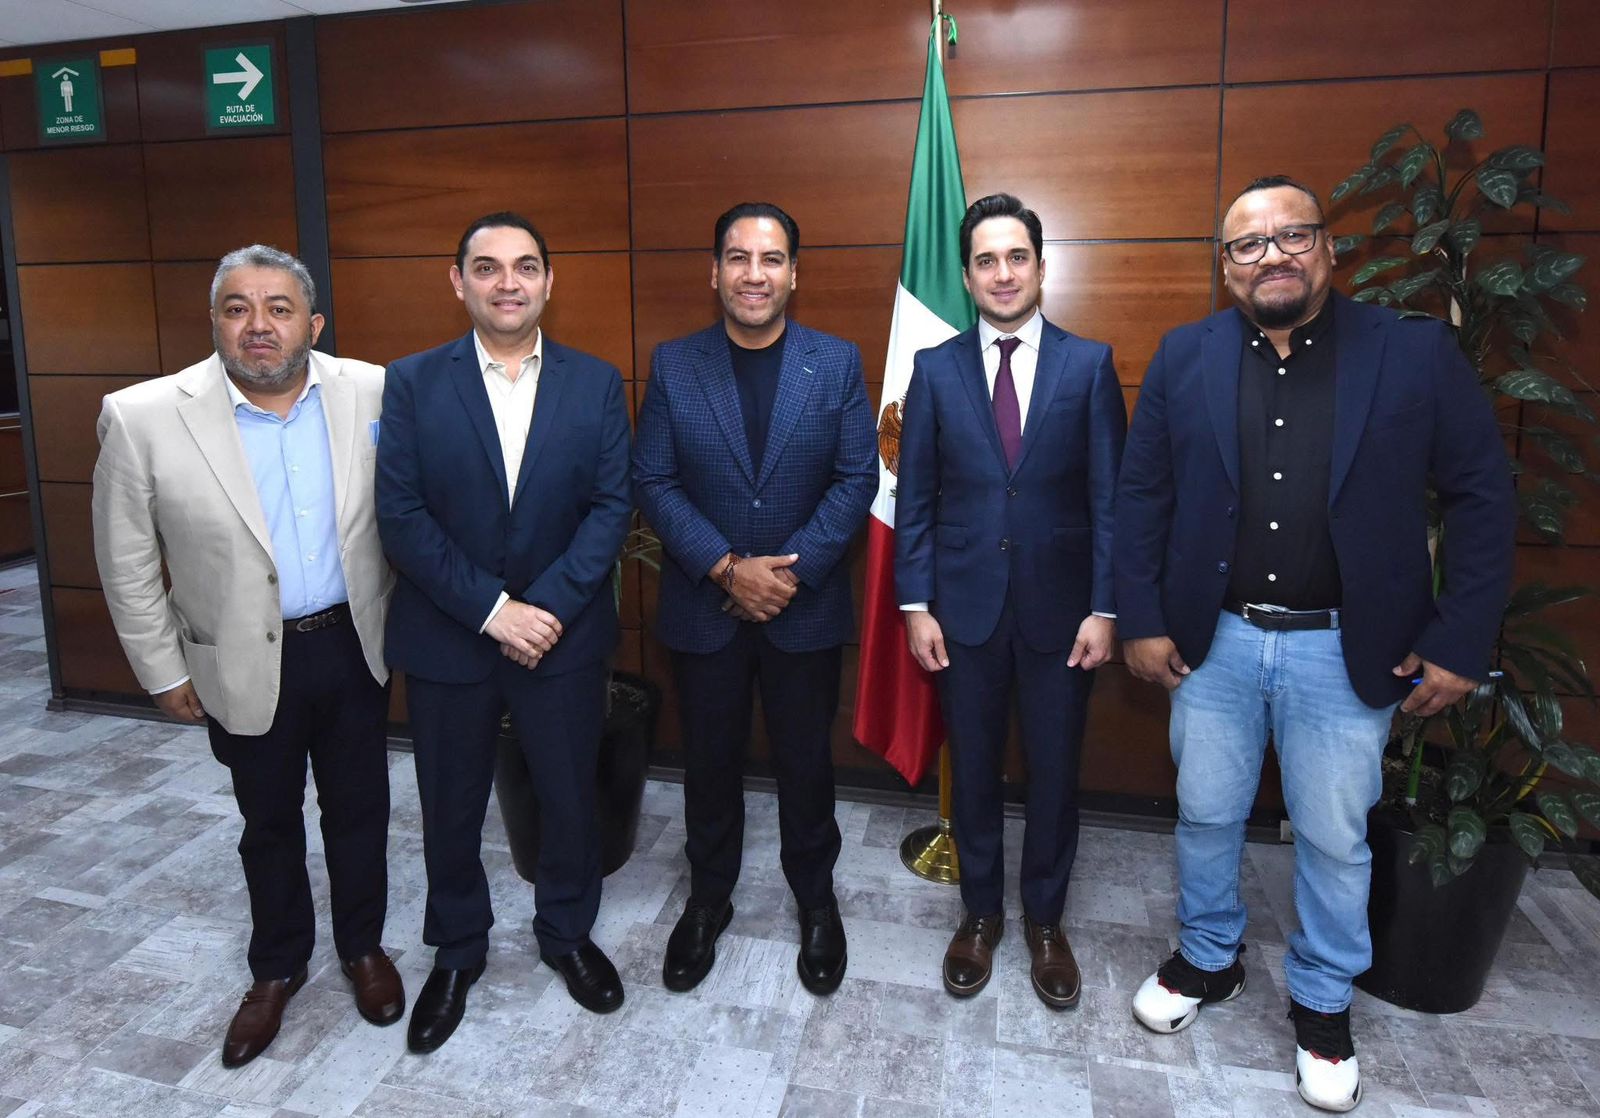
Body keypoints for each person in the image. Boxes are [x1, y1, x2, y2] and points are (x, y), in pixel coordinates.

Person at [1115, 176, 1516, 1112]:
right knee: (1205, 814)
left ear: (1329, 249)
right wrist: (1140, 617)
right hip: (1213, 644)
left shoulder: (1412, 352)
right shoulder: (1184, 355)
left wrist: (1461, 639)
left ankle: (1324, 1001)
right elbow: (1141, 498)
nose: (1273, 256)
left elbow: (1482, 496)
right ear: (1226, 267)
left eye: (1292, 236)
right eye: (1248, 244)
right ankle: (1208, 958)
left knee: (1335, 839)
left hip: (1344, 648)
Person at [92, 245, 401, 1068]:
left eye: (278, 308)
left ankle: (362, 947)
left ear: (314, 324)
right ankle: (278, 965)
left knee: (360, 809)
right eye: (237, 308)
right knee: (267, 822)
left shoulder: (373, 390)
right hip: (238, 662)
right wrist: (163, 670)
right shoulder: (142, 416)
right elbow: (126, 559)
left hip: (352, 646)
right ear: (214, 322)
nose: (258, 325)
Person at [376, 212, 631, 1051]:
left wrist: (543, 609)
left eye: (525, 266)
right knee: (450, 806)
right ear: (459, 283)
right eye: (487, 267)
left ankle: (566, 933)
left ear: (549, 281)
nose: (508, 282)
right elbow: (401, 516)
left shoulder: (596, 382)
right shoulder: (412, 382)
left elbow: (610, 508)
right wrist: (494, 611)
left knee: (568, 797)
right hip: (452, 636)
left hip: (563, 635)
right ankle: (458, 950)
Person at [633, 202, 876, 996]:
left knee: (808, 765)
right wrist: (726, 567)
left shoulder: (834, 362)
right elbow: (653, 478)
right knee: (709, 765)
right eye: (738, 257)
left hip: (803, 610)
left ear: (794, 274)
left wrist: (785, 577)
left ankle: (816, 900)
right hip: (705, 607)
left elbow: (856, 478)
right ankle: (708, 898)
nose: (754, 274)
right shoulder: (676, 364)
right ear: (715, 272)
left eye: (771, 259)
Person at [895, 193, 1126, 1009]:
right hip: (962, 612)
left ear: (1040, 266)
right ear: (966, 276)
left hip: (1064, 617)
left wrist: (1106, 608)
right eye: (986, 260)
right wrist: (915, 603)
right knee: (976, 772)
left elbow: (1110, 501)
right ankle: (981, 915)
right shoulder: (935, 369)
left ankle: (1047, 923)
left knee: (1056, 773)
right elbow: (915, 499)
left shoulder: (1089, 365)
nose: (1002, 273)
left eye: (1016, 257)